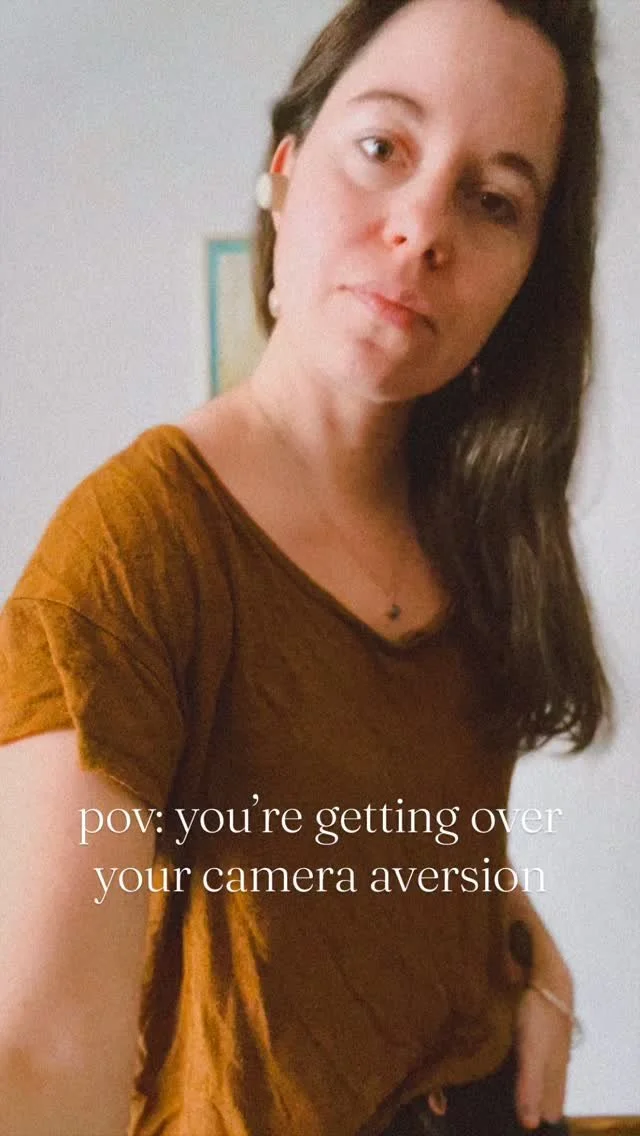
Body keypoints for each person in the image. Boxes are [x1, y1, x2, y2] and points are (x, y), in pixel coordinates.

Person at [0, 1, 610, 1134]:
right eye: (382, 146)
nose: (420, 228)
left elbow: (384, 834)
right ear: (284, 175)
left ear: (528, 272)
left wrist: (529, 951)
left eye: (493, 200)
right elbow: (45, 1049)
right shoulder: (136, 548)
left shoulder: (473, 519)